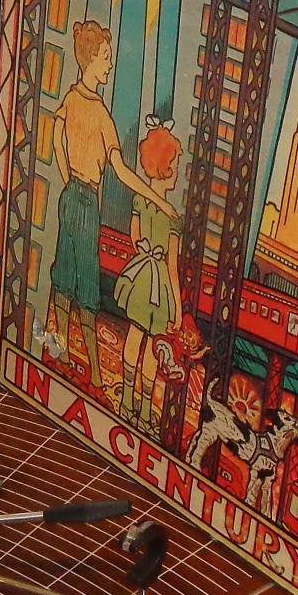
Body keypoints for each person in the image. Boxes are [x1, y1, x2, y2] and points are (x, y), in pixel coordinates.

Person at [49, 20, 170, 390]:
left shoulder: (73, 100)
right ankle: (95, 374)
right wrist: (159, 202)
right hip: (84, 202)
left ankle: (64, 355)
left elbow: (56, 139)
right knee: (84, 284)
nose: (110, 64)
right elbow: (120, 169)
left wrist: (69, 178)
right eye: (105, 57)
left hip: (72, 195)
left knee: (65, 277)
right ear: (89, 59)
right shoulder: (98, 112)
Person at [113, 118, 184, 421]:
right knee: (155, 349)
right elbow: (172, 267)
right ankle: (143, 411)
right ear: (166, 167)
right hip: (161, 287)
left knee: (134, 336)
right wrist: (178, 310)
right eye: (176, 165)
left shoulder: (139, 202)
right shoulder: (173, 217)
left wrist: (144, 251)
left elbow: (134, 236)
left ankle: (125, 402)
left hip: (140, 276)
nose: (177, 172)